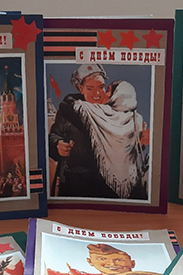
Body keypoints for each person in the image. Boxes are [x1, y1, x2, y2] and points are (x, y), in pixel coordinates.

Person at [49, 64, 149, 199]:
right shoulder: (70, 110)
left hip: (109, 189)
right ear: (81, 89)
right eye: (90, 88)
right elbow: (53, 137)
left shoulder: (118, 113)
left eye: (101, 87)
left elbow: (124, 151)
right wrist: (57, 146)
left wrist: (139, 143)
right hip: (77, 186)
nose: (96, 94)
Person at [85, 243, 161, 275]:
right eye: (102, 259)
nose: (112, 264)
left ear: (132, 263)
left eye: (119, 260)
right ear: (90, 261)